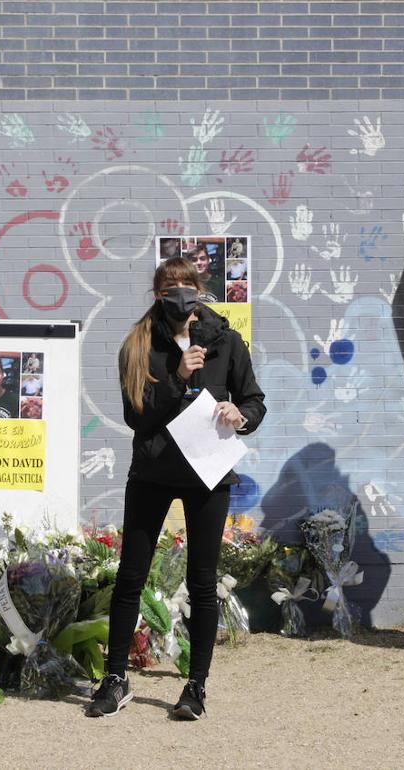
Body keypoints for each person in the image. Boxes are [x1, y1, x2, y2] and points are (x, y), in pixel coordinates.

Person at [86, 256, 265, 720]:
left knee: (202, 583)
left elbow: (253, 399)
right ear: (158, 293)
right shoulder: (139, 344)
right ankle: (115, 678)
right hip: (153, 471)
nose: (181, 291)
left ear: (200, 288)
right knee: (131, 578)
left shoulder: (226, 341)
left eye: (188, 283)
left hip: (208, 472)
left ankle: (195, 686)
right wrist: (179, 376)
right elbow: (137, 416)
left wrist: (239, 415)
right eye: (170, 285)